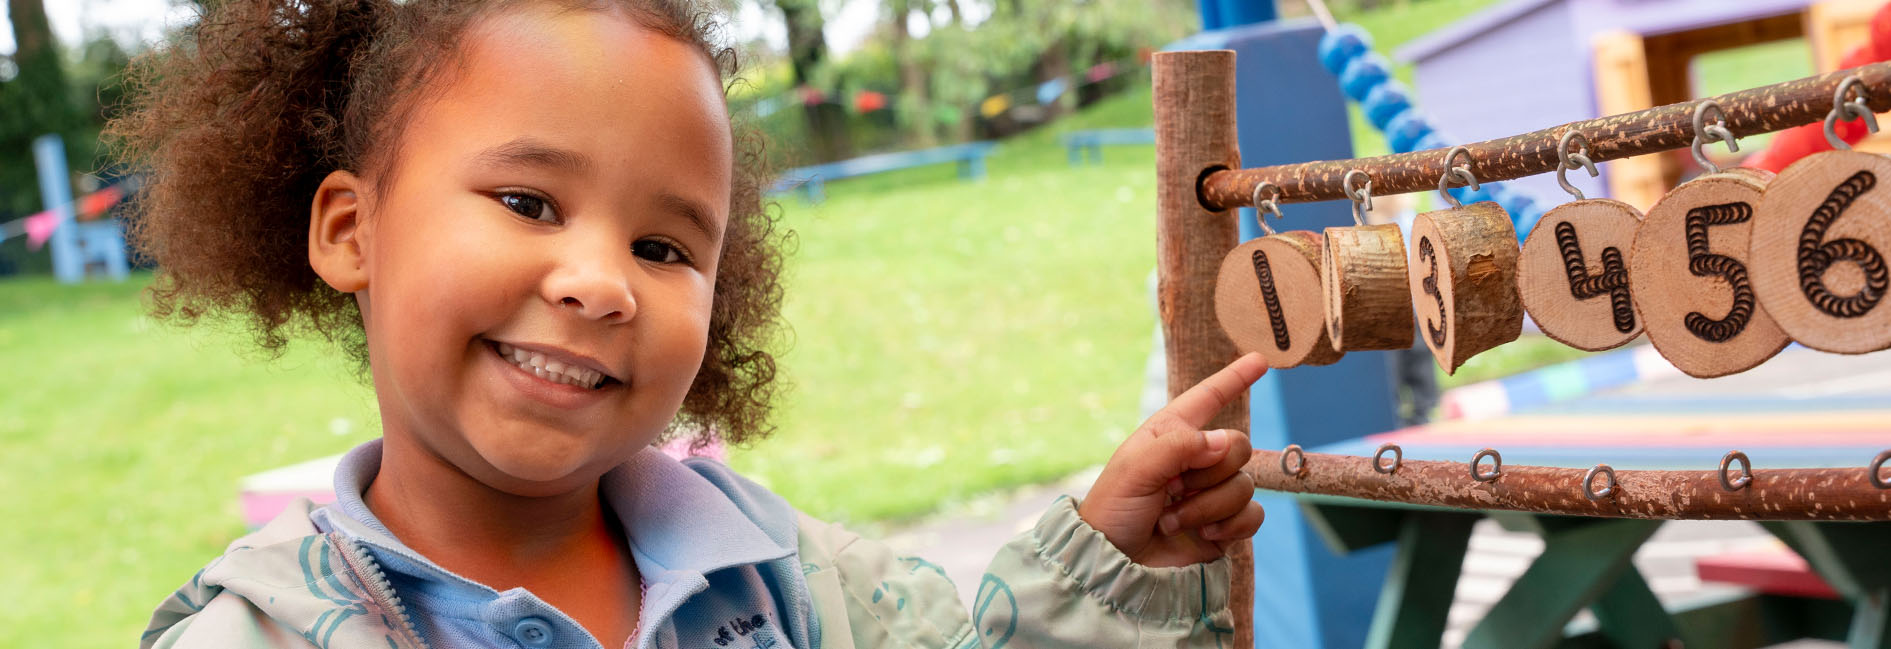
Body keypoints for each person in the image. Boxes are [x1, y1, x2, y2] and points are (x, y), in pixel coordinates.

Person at [118, 0, 1268, 647]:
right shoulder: (257, 639)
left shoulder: (789, 579)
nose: (601, 282)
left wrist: (1110, 565)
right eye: (527, 202)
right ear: (348, 230)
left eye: (663, 247)